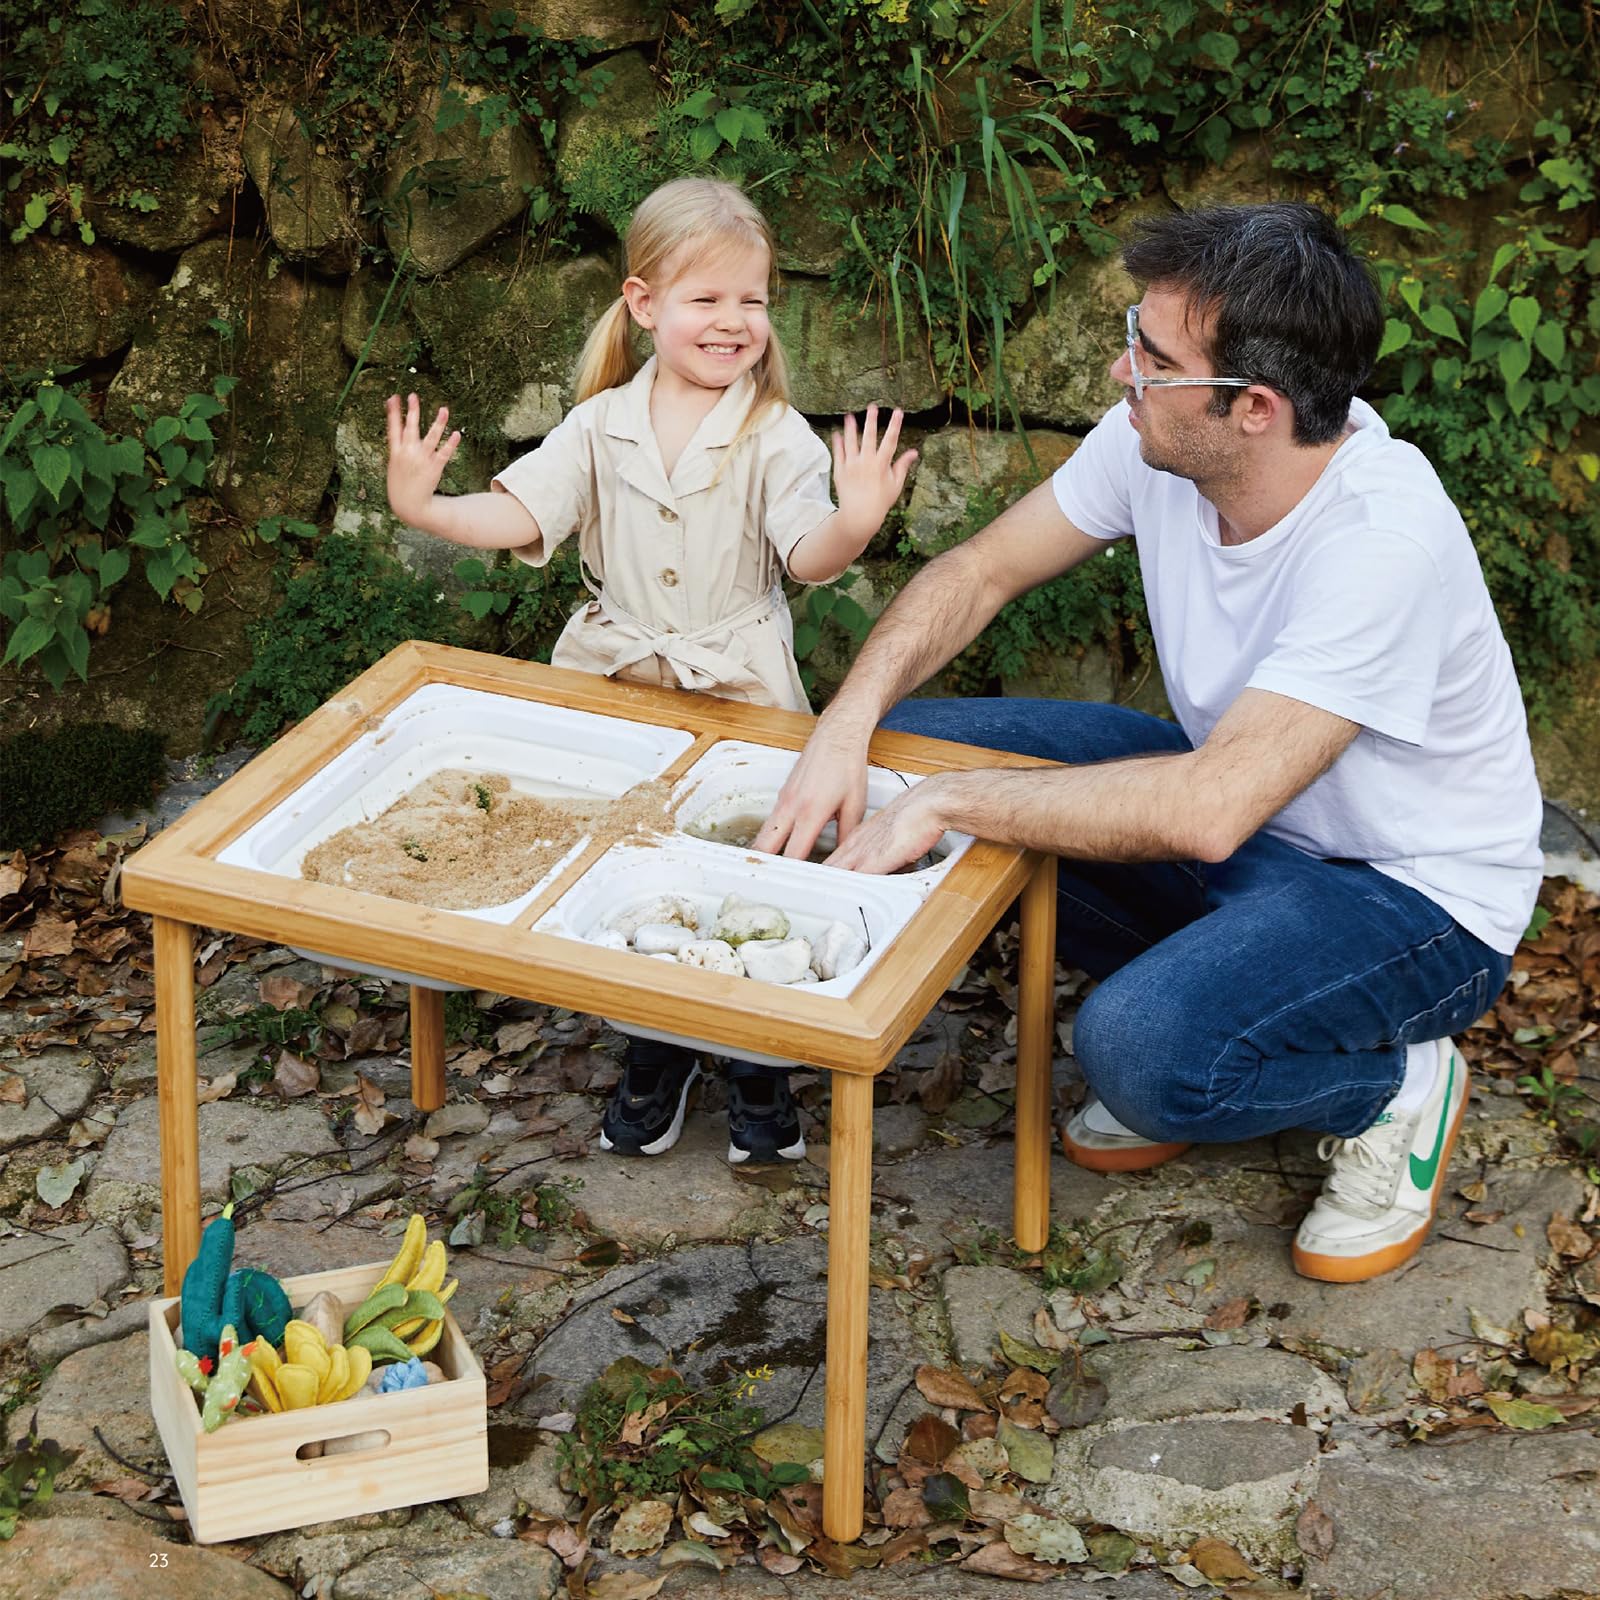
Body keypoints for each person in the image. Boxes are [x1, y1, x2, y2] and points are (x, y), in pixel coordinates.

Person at [755, 202, 1543, 1284]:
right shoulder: (1162, 442)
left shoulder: (1380, 545)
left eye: (1153, 356)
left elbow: (1203, 810)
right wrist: (843, 729)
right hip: (1244, 824)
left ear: (1253, 408)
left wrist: (944, 808)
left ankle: (1392, 1088)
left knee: (1137, 1050)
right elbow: (979, 571)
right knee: (903, 746)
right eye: (1136, 333)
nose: (1124, 373)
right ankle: (1224, 1000)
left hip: (1407, 902)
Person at [385, 176, 917, 1167]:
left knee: (753, 865)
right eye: (706, 299)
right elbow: (523, 514)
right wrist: (429, 510)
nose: (733, 321)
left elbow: (809, 553)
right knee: (637, 867)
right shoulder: (599, 424)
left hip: (744, 692)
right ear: (643, 304)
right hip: (619, 688)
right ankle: (659, 1049)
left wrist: (856, 515)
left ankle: (757, 1059)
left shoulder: (776, 434)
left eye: (751, 300)